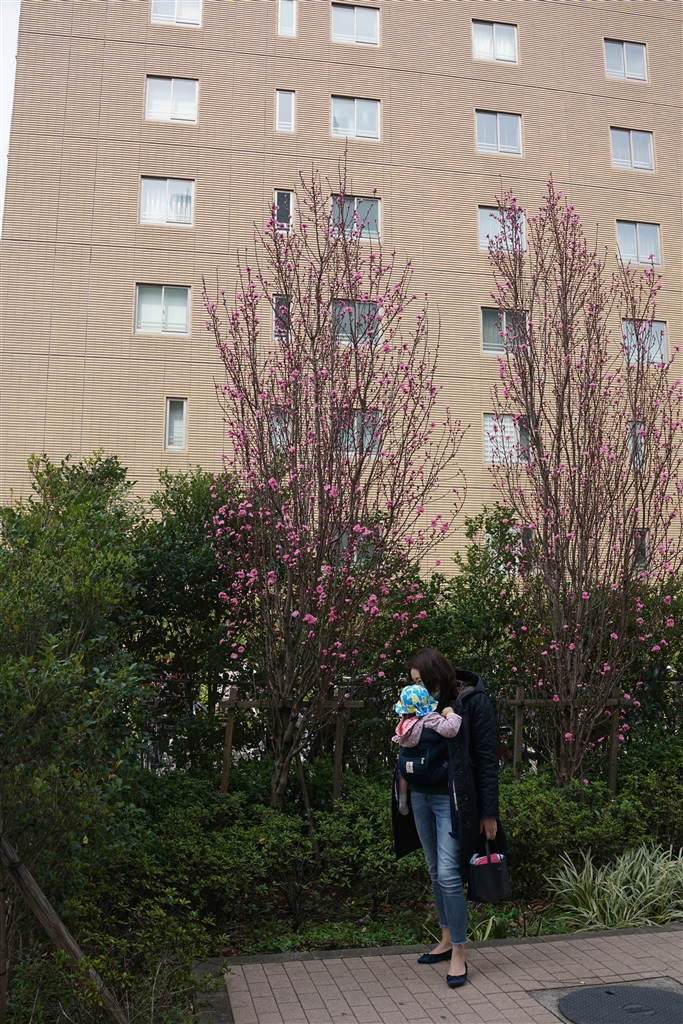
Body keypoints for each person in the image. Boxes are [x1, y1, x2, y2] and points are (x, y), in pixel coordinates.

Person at [392, 648, 507, 989]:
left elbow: (487, 759)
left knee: (448, 873)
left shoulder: (473, 702)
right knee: (434, 870)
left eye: (422, 681)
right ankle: (444, 939)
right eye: (414, 682)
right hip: (420, 796)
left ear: (438, 675)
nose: (419, 688)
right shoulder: (421, 705)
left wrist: (489, 813)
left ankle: (459, 950)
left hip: (453, 802)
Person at [391, 683, 462, 814]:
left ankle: (401, 800)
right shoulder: (431, 718)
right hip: (435, 777)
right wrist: (451, 714)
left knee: (401, 772)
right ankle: (456, 799)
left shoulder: (404, 723)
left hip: (411, 773)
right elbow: (451, 730)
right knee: (453, 767)